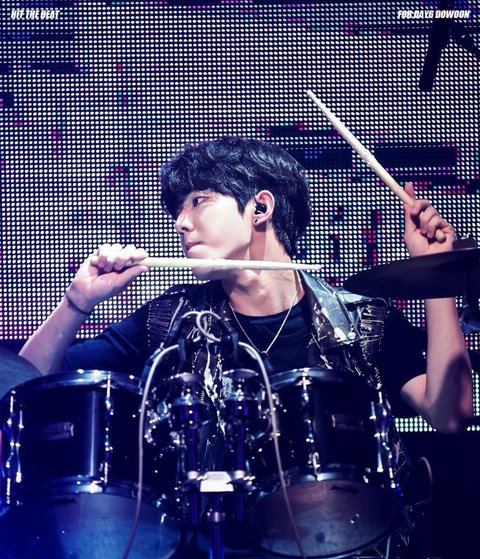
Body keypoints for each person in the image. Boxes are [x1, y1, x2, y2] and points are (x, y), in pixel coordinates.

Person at [20, 136, 472, 433]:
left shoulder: (362, 321)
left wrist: (436, 273)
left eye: (198, 200)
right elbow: (24, 384)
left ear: (260, 208)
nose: (180, 222)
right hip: (212, 548)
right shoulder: (168, 323)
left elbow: (450, 416)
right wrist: (76, 303)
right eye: (177, 209)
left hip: (347, 543)